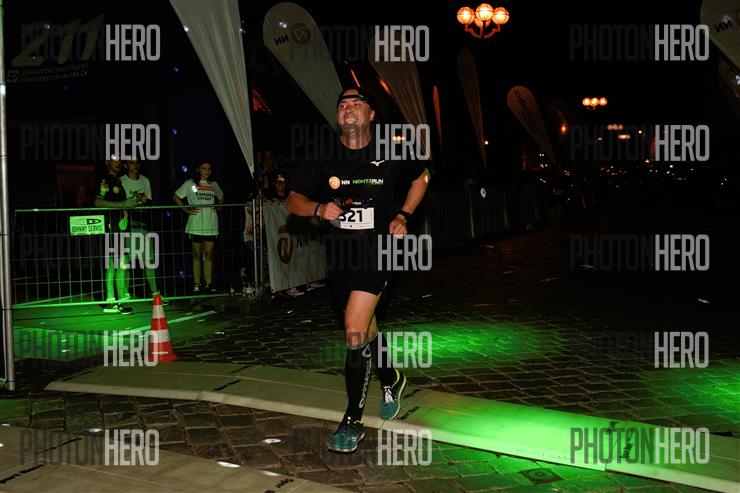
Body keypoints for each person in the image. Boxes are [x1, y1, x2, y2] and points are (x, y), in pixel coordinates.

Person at [287, 88, 430, 453]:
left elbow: (422, 177)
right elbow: (293, 199)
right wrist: (318, 209)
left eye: (356, 104)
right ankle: (391, 376)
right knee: (365, 327)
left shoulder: (393, 147)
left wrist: (404, 215)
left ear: (371, 115)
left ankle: (352, 420)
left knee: (353, 330)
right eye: (342, 105)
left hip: (378, 250)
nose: (348, 109)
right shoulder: (323, 154)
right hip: (340, 255)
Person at [94, 155, 140, 314]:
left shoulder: (118, 181)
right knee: (113, 265)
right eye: (115, 159)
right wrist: (121, 204)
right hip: (110, 227)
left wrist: (127, 210)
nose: (118, 162)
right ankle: (110, 302)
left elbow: (123, 205)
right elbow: (98, 201)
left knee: (121, 264)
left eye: (120, 160)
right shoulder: (105, 180)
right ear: (107, 162)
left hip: (120, 228)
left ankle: (118, 301)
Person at [173, 161, 225, 294]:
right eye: (204, 168)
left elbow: (221, 197)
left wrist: (218, 207)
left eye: (209, 168)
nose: (207, 171)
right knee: (196, 254)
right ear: (198, 169)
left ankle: (208, 284)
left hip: (210, 224)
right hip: (196, 223)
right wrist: (186, 209)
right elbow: (176, 196)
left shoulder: (213, 184)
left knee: (208, 254)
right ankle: (197, 283)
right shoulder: (190, 183)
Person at [120, 158, 161, 298]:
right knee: (127, 261)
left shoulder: (145, 180)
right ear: (126, 165)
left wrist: (145, 201)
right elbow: (120, 203)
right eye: (131, 163)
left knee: (149, 260)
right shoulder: (121, 181)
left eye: (137, 162)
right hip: (129, 226)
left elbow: (149, 201)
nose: (135, 165)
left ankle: (155, 294)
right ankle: (125, 293)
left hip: (143, 225)